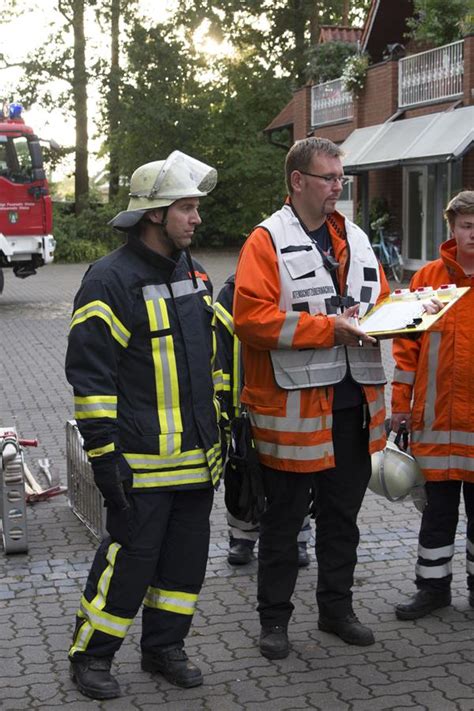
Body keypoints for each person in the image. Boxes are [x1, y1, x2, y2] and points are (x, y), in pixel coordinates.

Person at [65, 151, 223, 700]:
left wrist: (230, 430)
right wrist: (104, 458)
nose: (197, 219)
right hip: (140, 462)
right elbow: (91, 377)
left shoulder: (195, 273)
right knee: (128, 563)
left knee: (183, 569)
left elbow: (213, 361)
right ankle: (91, 655)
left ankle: (164, 649)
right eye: (187, 208)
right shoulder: (108, 281)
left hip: (198, 459)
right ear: (154, 213)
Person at [233, 136, 390, 659]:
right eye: (328, 178)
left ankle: (336, 611)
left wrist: (407, 316)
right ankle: (274, 622)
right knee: (284, 521)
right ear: (298, 181)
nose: (337, 187)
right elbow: (251, 319)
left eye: (340, 178)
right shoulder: (266, 241)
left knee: (343, 518)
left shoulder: (358, 240)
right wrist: (328, 330)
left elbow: (381, 301)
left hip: (353, 407)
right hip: (294, 413)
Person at [392, 190, 474, 621]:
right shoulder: (429, 279)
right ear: (452, 229)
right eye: (466, 225)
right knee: (437, 514)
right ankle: (432, 589)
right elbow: (406, 349)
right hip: (436, 421)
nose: (473, 234)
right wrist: (400, 405)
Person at [215, 274, 312, 568]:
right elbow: (217, 350)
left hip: (289, 399)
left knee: (296, 470)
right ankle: (242, 536)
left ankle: (299, 537)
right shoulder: (231, 293)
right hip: (243, 403)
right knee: (243, 472)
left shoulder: (295, 289)